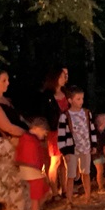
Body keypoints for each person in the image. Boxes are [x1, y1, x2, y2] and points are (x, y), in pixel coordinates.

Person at [0, 70, 30, 210]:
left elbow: (19, 120)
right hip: (3, 145)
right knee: (7, 179)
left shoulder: (7, 101)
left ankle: (20, 209)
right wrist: (28, 134)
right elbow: (7, 126)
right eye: (4, 80)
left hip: (16, 143)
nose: (8, 83)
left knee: (18, 178)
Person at [57, 86, 97, 205]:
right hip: (72, 149)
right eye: (78, 99)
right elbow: (61, 135)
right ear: (70, 100)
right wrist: (64, 151)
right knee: (71, 175)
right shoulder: (65, 116)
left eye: (82, 99)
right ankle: (69, 200)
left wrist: (94, 144)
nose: (81, 101)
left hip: (86, 147)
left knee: (86, 172)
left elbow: (92, 129)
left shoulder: (86, 113)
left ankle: (88, 196)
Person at [40, 67, 69, 195]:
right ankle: (54, 191)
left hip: (67, 130)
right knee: (55, 161)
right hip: (55, 131)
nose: (64, 78)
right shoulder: (48, 96)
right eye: (61, 76)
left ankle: (65, 188)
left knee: (65, 161)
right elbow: (46, 114)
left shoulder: (66, 93)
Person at [16, 117, 50, 210]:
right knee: (36, 197)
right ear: (37, 128)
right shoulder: (30, 140)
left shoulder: (27, 138)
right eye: (44, 131)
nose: (45, 134)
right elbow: (33, 157)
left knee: (42, 192)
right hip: (32, 171)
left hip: (29, 170)